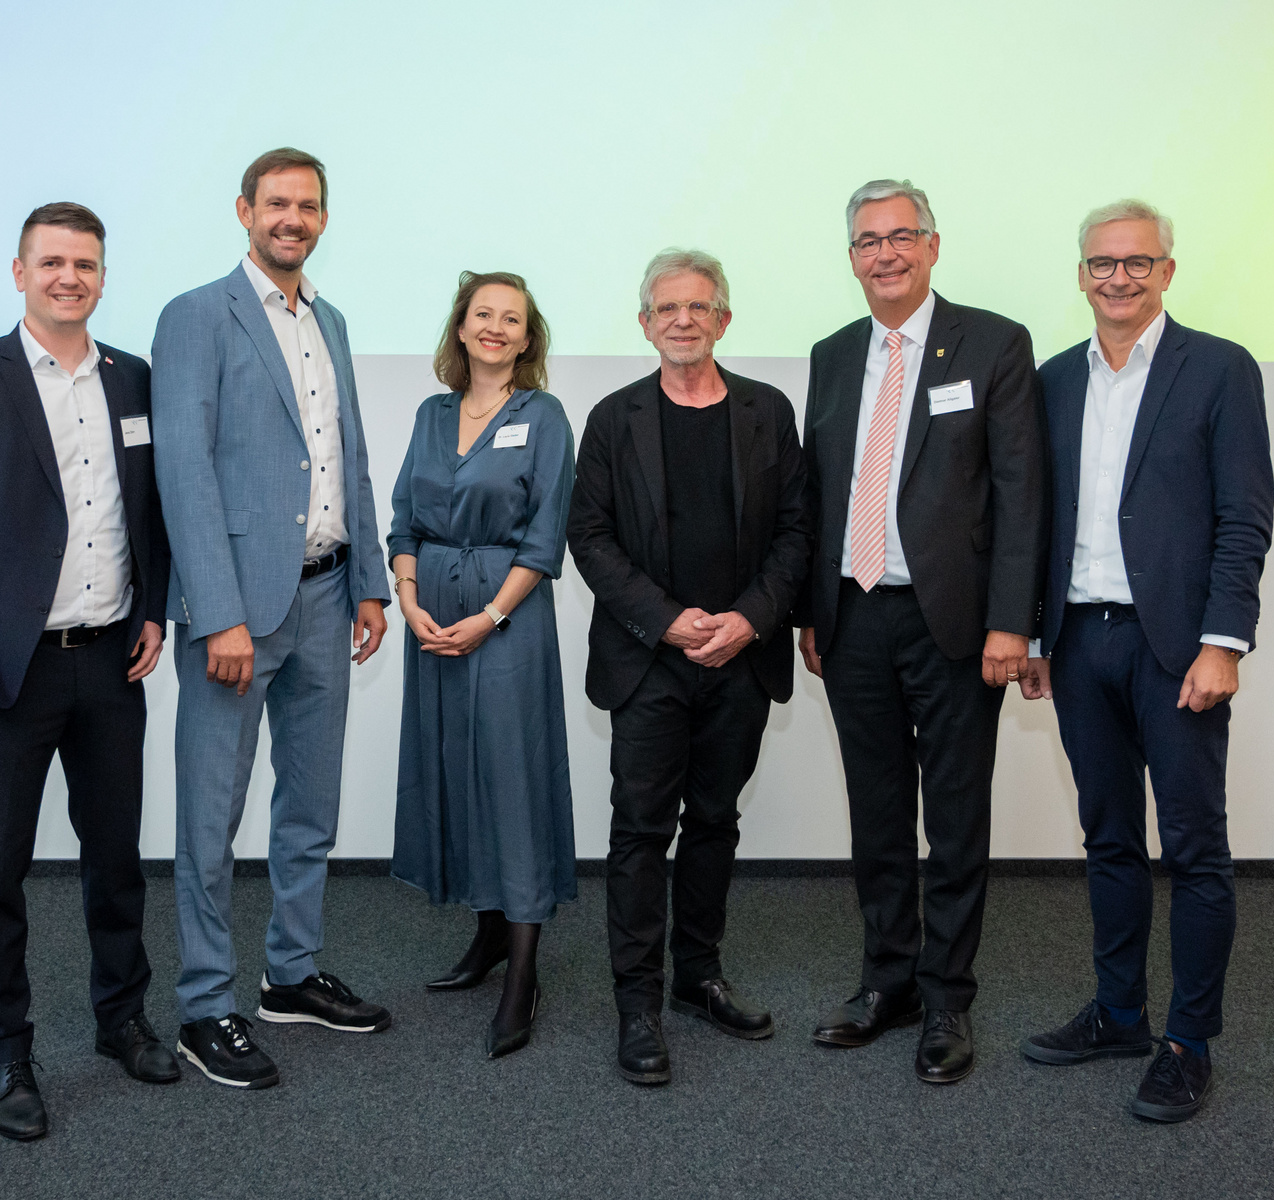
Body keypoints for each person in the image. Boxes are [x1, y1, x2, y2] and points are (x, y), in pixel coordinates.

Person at [0, 202, 178, 1141]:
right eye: (52, 262)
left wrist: (153, 613)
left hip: (110, 662)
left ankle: (120, 1020)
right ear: (18, 272)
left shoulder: (135, 379)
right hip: (6, 677)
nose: (70, 277)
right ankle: (4, 1054)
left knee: (116, 864)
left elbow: (157, 516)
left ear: (104, 277)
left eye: (86, 264)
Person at [1016, 200, 1274, 1122]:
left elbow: (1244, 516)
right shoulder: (1051, 380)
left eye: (1136, 262)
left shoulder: (1218, 369)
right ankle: (1119, 1012)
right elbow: (1037, 520)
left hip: (1178, 651)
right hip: (1081, 642)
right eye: (1100, 264)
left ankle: (1187, 1041)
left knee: (1196, 848)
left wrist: (1222, 641)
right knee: (1109, 839)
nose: (1117, 278)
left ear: (1167, 270)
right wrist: (1039, 634)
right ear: (1079, 275)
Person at [151, 148, 391, 1090]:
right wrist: (216, 614)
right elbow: (184, 470)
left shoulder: (326, 319)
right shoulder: (196, 316)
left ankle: (289, 974)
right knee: (211, 820)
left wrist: (369, 578)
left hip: (330, 595)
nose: (292, 218)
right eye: (277, 203)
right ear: (244, 210)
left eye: (309, 206)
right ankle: (206, 1005)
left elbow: (350, 457)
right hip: (239, 615)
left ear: (323, 219)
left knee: (310, 805)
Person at [797, 179, 1046, 1084]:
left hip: (955, 623)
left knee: (951, 817)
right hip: (853, 615)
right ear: (851, 256)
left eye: (902, 236)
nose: (886, 253)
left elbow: (1022, 494)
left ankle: (947, 996)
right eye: (868, 240)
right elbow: (816, 494)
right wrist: (809, 614)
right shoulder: (830, 355)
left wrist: (1011, 622)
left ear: (933, 247)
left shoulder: (991, 342)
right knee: (875, 816)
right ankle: (887, 981)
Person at [567, 249, 810, 1086]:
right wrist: (668, 621)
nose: (681, 319)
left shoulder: (767, 413)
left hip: (739, 660)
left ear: (723, 320)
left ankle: (697, 975)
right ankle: (636, 1002)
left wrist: (748, 619)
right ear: (644, 323)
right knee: (639, 831)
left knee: (714, 823)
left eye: (697, 306)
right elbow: (588, 538)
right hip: (647, 663)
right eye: (664, 308)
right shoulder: (611, 419)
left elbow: (795, 534)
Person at [387, 271, 577, 1059]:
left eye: (512, 319)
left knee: (513, 779)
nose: (496, 328)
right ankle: (489, 936)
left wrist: (490, 616)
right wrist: (405, 596)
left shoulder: (544, 417)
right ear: (459, 330)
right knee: (457, 774)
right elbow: (401, 517)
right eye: (482, 315)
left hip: (505, 619)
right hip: (430, 614)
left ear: (527, 339)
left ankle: (524, 970)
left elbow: (545, 534)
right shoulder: (432, 416)